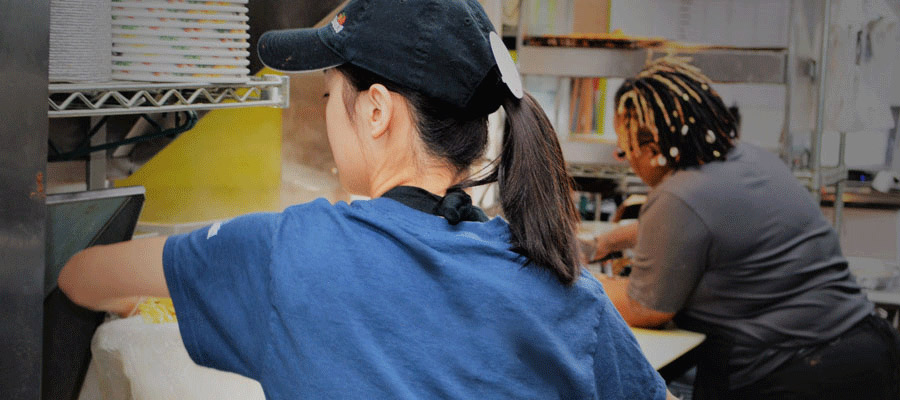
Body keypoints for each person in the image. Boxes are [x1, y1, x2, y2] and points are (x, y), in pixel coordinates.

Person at [58, 1, 675, 398]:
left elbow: (82, 277)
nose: (326, 116)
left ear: (376, 111)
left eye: (330, 96)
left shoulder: (289, 253)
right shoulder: (567, 291)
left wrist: (145, 295)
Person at [588, 58, 900, 399]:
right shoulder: (748, 158)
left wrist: (579, 278)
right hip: (867, 349)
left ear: (652, 149)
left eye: (625, 148)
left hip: (799, 373)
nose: (627, 159)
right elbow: (700, 228)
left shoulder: (680, 195)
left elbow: (644, 308)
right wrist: (603, 243)